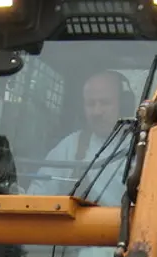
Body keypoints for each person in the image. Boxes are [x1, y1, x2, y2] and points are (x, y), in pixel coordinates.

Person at [35, 70, 134, 206]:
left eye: (105, 103)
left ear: (124, 105)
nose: (97, 112)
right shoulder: (71, 146)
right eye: (90, 104)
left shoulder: (143, 148)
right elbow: (38, 195)